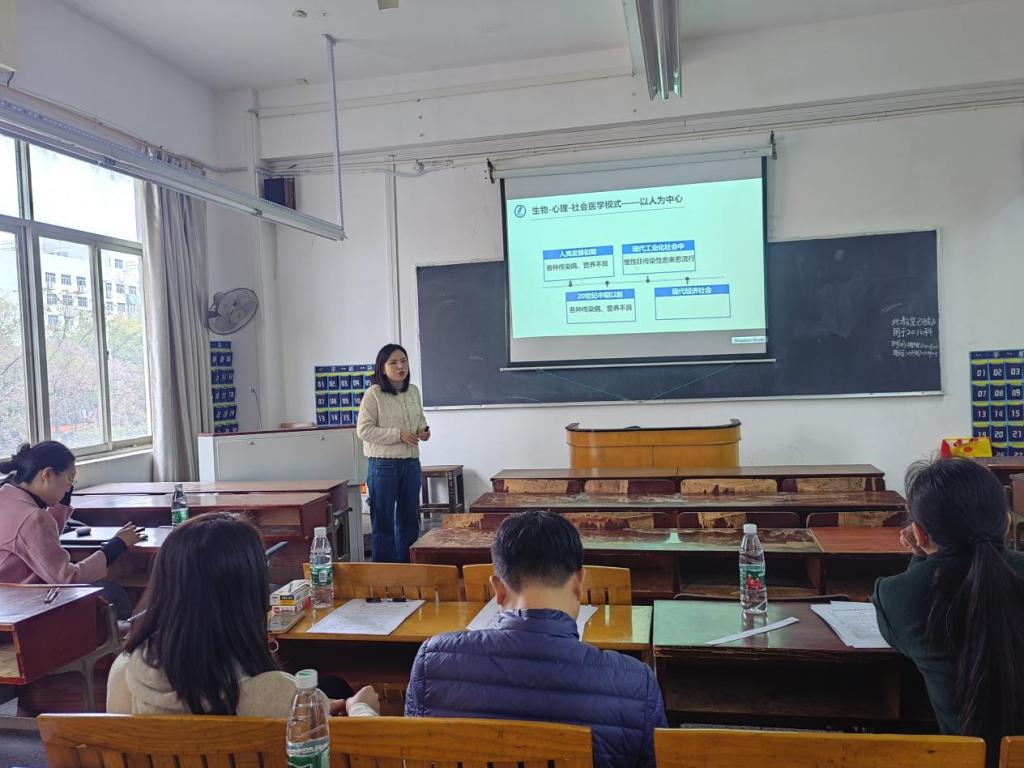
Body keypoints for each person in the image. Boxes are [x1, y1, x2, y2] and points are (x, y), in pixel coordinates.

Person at [405, 510, 666, 768]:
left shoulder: (432, 662)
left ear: (498, 589)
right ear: (579, 583)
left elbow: (412, 753)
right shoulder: (636, 683)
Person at [107, 513, 379, 717]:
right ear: (247, 593)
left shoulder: (125, 671)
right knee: (337, 689)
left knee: (332, 686)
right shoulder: (277, 695)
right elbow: (362, 748)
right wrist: (361, 708)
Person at [873, 458, 1024, 767]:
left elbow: (904, 625)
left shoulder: (897, 596)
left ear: (919, 533)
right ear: (1008, 524)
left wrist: (919, 556)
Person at [0, 441, 143, 618]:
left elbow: (41, 544)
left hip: (7, 599)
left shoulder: (7, 497)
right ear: (47, 474)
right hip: (18, 608)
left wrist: (61, 504)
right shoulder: (32, 518)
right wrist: (116, 545)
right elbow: (67, 578)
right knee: (112, 592)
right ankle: (126, 636)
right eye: (69, 479)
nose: (69, 487)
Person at [356, 343, 429, 562]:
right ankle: (385, 572)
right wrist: (398, 435)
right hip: (383, 465)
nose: (400, 366)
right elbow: (363, 430)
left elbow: (420, 418)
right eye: (393, 362)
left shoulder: (413, 391)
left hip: (411, 463)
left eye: (403, 361)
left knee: (409, 519)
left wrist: (424, 430)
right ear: (382, 367)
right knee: (383, 522)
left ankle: (407, 568)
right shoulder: (374, 394)